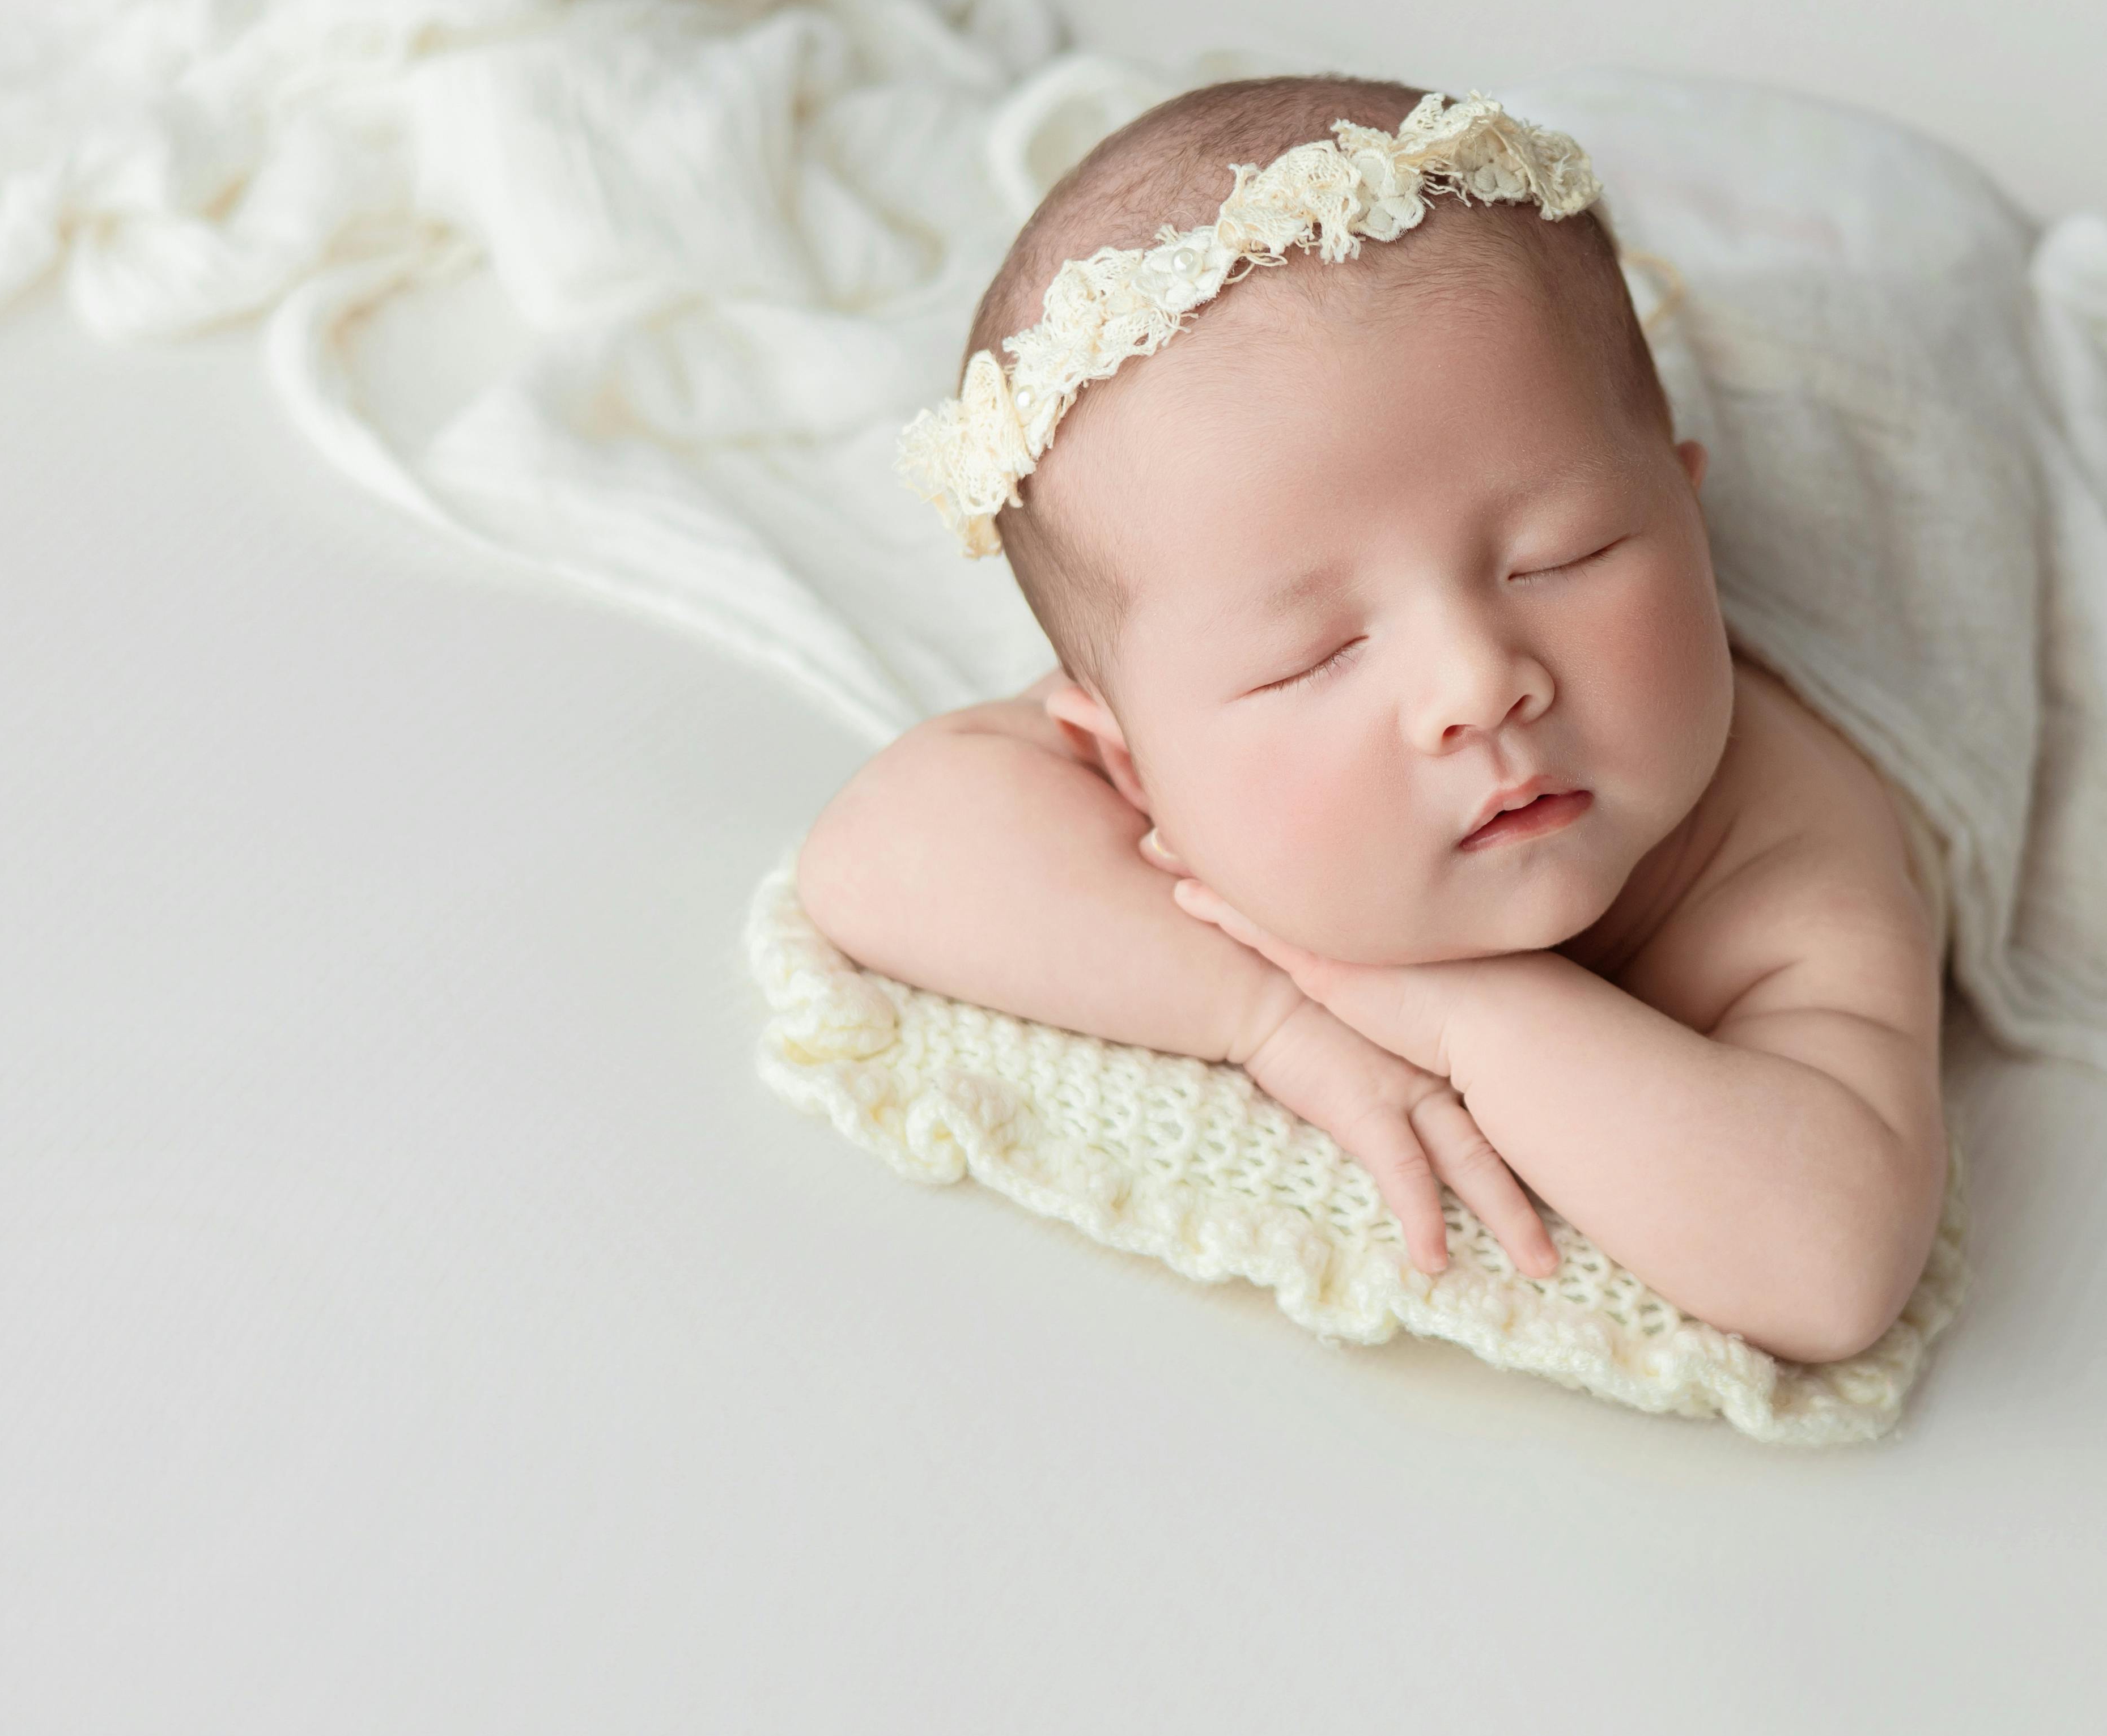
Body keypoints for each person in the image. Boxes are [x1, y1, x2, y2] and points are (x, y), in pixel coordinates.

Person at [792, 76, 1949, 1365]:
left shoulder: (1778, 839)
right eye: (1318, 653)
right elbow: (872, 849)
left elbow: (1829, 1260)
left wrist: (1463, 1015)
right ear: (1127, 757)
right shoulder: (1197, 706)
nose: (1478, 682)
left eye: (1564, 556)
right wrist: (1273, 1017)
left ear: (1689, 517)